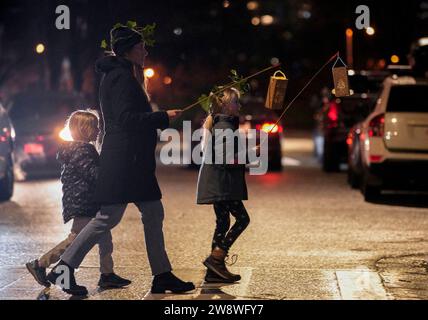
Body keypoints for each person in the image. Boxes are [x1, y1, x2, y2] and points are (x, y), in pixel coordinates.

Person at [47, 25, 195, 295]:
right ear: (130, 50)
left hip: (130, 161)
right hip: (127, 162)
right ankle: (64, 267)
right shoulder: (121, 78)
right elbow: (126, 120)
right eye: (142, 47)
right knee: (107, 218)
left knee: (148, 213)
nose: (146, 51)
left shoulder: (120, 75)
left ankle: (162, 274)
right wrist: (162, 116)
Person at [25, 110, 130, 295]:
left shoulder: (75, 149)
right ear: (85, 129)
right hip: (84, 202)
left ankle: (107, 273)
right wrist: (110, 173)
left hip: (84, 200)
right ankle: (41, 264)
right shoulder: (82, 150)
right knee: (76, 239)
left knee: (105, 237)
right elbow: (93, 175)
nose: (99, 130)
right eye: (95, 127)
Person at [196, 88, 251, 283]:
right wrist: (249, 155)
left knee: (223, 222)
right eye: (236, 102)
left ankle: (214, 272)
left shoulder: (222, 124)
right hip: (222, 184)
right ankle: (217, 257)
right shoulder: (224, 128)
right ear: (226, 105)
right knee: (243, 219)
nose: (239, 106)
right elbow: (225, 160)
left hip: (219, 183)